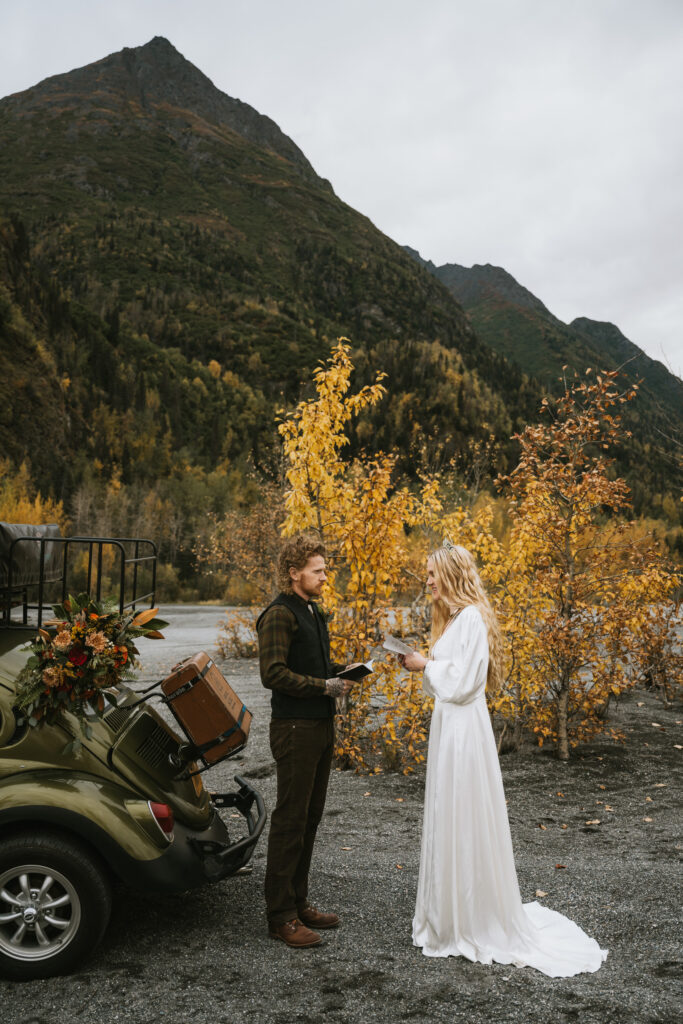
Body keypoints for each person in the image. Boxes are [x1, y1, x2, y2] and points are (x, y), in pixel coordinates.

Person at [399, 541, 607, 977]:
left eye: (434, 573)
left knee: (464, 812)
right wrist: (425, 661)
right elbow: (451, 672)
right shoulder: (454, 618)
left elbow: (466, 681)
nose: (428, 580)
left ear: (452, 574)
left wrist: (425, 665)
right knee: (449, 811)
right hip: (450, 727)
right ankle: (449, 912)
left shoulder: (471, 617)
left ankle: (471, 917)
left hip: (463, 730)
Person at [256, 533, 353, 949]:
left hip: (319, 726)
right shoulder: (279, 615)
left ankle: (298, 902)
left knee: (310, 818)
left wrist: (345, 673)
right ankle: (280, 917)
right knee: (290, 820)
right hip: (294, 729)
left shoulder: (312, 611)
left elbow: (312, 666)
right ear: (294, 573)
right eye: (318, 571)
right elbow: (273, 674)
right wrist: (324, 686)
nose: (324, 577)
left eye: (325, 570)